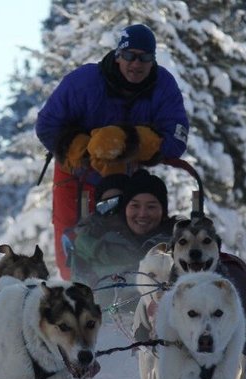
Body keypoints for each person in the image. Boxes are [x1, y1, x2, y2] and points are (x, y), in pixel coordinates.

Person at [36, 23, 189, 279]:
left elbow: (176, 138)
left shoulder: (162, 86)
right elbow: (46, 125)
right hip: (74, 172)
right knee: (72, 241)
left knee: (125, 241)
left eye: (145, 58)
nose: (136, 64)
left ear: (153, 60)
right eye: (129, 56)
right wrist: (86, 150)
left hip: (126, 173)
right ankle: (78, 294)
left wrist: (130, 141)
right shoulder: (84, 82)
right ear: (118, 56)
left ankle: (129, 294)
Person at [72, 169, 178, 287]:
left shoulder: (176, 241)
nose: (142, 213)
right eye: (105, 206)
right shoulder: (92, 241)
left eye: (118, 204)